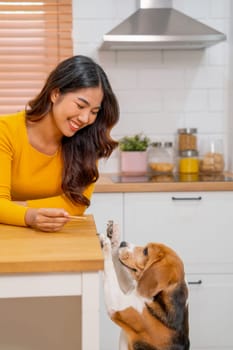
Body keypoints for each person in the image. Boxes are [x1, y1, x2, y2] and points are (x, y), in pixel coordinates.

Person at [0, 55, 119, 232]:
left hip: (57, 239)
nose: (86, 118)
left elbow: (77, 203)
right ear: (56, 94)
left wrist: (16, 208)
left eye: (94, 112)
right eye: (80, 106)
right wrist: (29, 216)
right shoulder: (6, 131)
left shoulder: (87, 143)